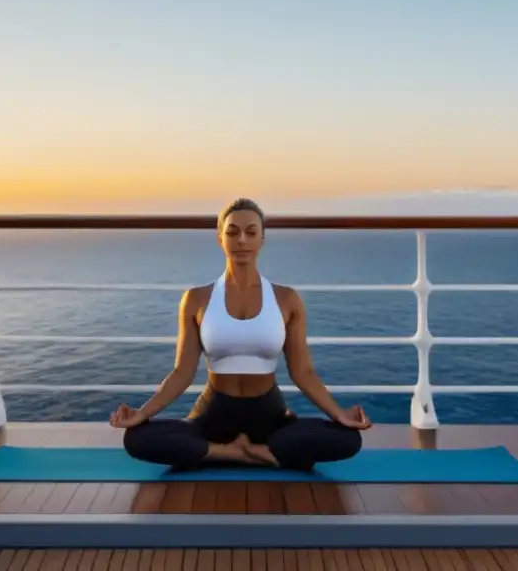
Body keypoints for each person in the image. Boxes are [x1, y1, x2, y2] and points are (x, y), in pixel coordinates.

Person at [109, 197, 371, 471]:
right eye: (232, 232)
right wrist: (142, 413)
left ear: (262, 239)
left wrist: (339, 414)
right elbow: (182, 374)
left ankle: (221, 452)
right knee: (137, 439)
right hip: (214, 413)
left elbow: (303, 372)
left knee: (348, 439)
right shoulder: (197, 299)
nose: (242, 240)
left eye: (251, 232)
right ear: (220, 238)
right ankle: (241, 453)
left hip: (268, 413)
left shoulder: (286, 299)